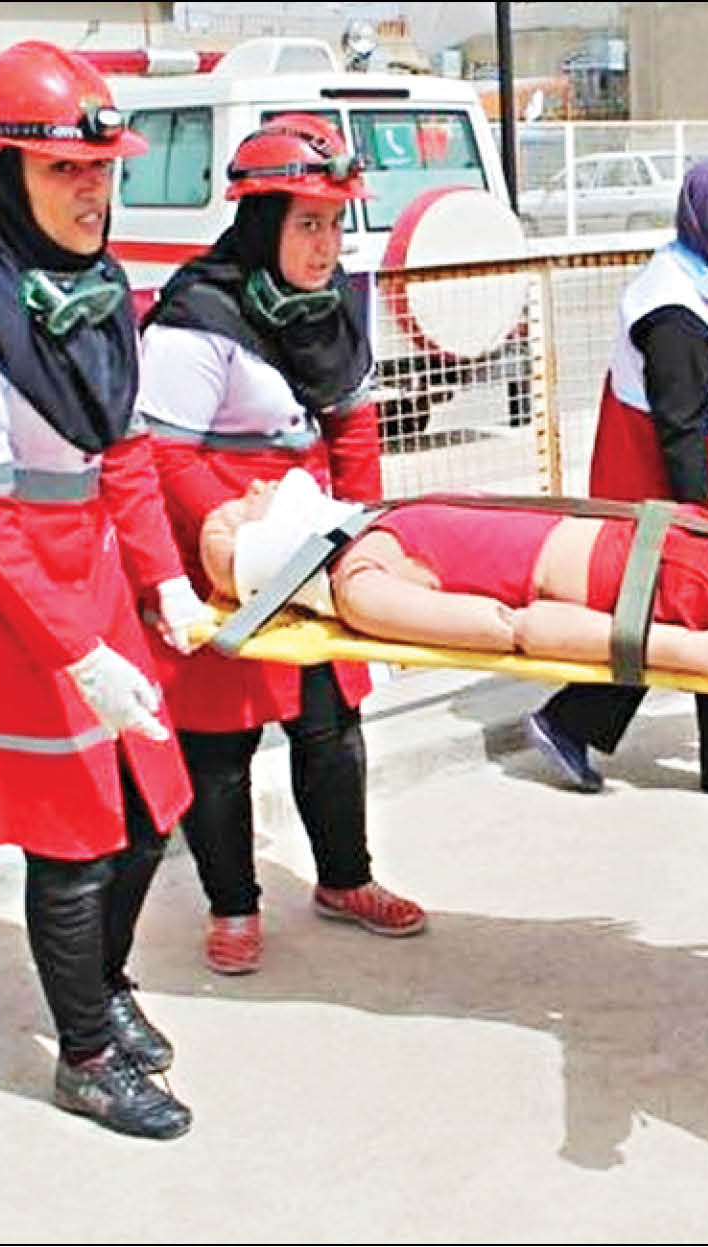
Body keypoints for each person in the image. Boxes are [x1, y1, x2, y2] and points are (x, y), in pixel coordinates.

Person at [0, 41, 216, 1141]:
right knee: (73, 837)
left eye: (101, 169)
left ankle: (102, 983)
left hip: (86, 576)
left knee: (149, 805)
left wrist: (164, 582)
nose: (91, 191)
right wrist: (78, 650)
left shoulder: (93, 282)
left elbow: (126, 455)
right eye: (65, 169)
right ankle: (87, 1055)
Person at [136, 116, 425, 979]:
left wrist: (359, 532)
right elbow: (166, 458)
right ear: (262, 223)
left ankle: (346, 880)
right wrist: (246, 544)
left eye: (334, 224)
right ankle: (232, 905)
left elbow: (354, 425)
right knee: (219, 746)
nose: (325, 245)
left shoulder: (330, 307)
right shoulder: (195, 320)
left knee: (330, 725)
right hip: (223, 554)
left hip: (313, 540)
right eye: (306, 225)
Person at [524, 157, 708, 798]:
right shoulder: (675, 308)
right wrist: (702, 523)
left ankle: (575, 723)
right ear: (700, 222)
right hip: (686, 488)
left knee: (684, 616)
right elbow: (680, 422)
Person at [200, 468, 708, 692]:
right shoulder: (364, 584)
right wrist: (694, 651)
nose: (256, 485)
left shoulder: (383, 519)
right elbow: (523, 631)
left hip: (680, 537)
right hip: (666, 580)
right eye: (244, 506)